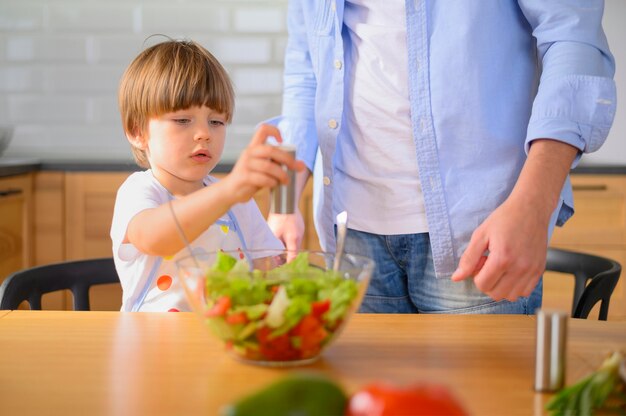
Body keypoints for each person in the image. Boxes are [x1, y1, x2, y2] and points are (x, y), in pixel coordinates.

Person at [268, 1, 617, 314]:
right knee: (362, 388)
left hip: (478, 231)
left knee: (479, 389)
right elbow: (306, 70)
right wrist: (285, 199)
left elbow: (574, 42)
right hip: (351, 235)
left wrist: (535, 205)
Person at [112, 39, 303, 312]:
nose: (205, 133)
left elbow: (268, 270)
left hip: (225, 340)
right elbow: (153, 237)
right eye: (182, 120)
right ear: (137, 132)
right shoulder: (140, 191)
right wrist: (229, 191)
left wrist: (293, 273)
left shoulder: (237, 200)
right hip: (153, 346)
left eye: (216, 121)